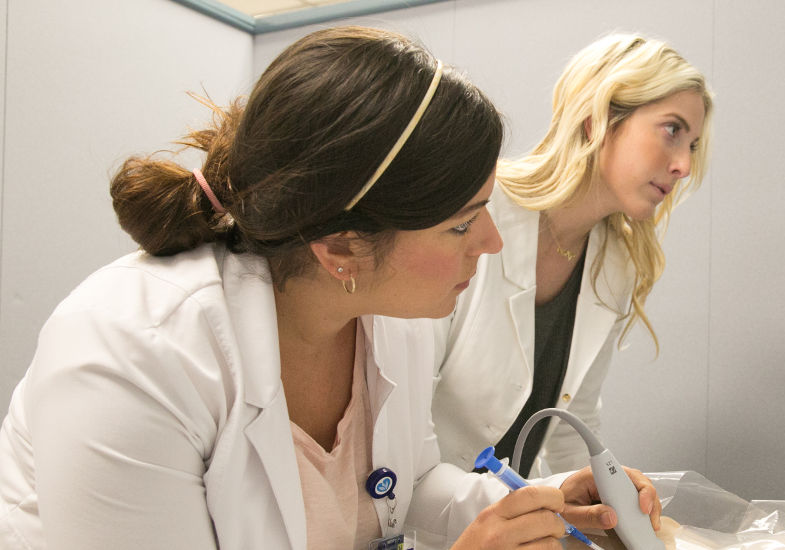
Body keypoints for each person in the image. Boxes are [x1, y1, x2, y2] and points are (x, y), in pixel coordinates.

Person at [0, 26, 660, 550]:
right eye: (461, 224)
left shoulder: (385, 316)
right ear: (341, 246)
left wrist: (536, 508)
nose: (491, 243)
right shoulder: (132, 358)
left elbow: (408, 483)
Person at [430, 33, 712, 476]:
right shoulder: (476, 213)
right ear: (598, 117)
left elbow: (569, 428)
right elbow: (401, 420)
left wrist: (607, 505)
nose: (684, 166)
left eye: (691, 145)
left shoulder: (615, 262)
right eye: (672, 130)